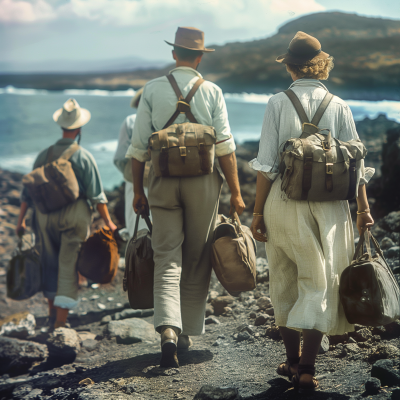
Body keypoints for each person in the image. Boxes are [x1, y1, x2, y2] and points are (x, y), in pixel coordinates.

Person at [249, 32, 375, 393]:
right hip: (333, 209)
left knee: (286, 279)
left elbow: (267, 166)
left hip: (284, 203)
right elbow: (357, 161)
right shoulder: (339, 105)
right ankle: (307, 367)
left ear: (289, 66)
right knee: (320, 281)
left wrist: (257, 214)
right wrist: (363, 209)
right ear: (321, 65)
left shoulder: (277, 102)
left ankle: (291, 361)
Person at [126, 27, 245, 367]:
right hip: (203, 183)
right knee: (196, 257)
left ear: (174, 54)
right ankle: (188, 330)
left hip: (162, 181)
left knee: (167, 257)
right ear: (200, 57)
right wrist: (236, 193)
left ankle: (167, 328)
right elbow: (225, 147)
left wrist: (138, 190)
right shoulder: (211, 91)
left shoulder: (151, 89)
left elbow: (138, 149)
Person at [16, 98, 117, 329]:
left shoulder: (43, 155)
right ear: (79, 128)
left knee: (49, 263)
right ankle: (61, 323)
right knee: (68, 265)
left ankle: (52, 316)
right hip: (75, 216)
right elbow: (96, 195)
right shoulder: (83, 156)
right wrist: (109, 222)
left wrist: (20, 221)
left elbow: (26, 192)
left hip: (44, 217)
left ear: (61, 126)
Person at [113, 88, 145, 236]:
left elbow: (119, 158)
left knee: (136, 224)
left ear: (138, 102)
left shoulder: (131, 121)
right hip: (162, 180)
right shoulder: (164, 121)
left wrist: (128, 174)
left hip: (134, 180)